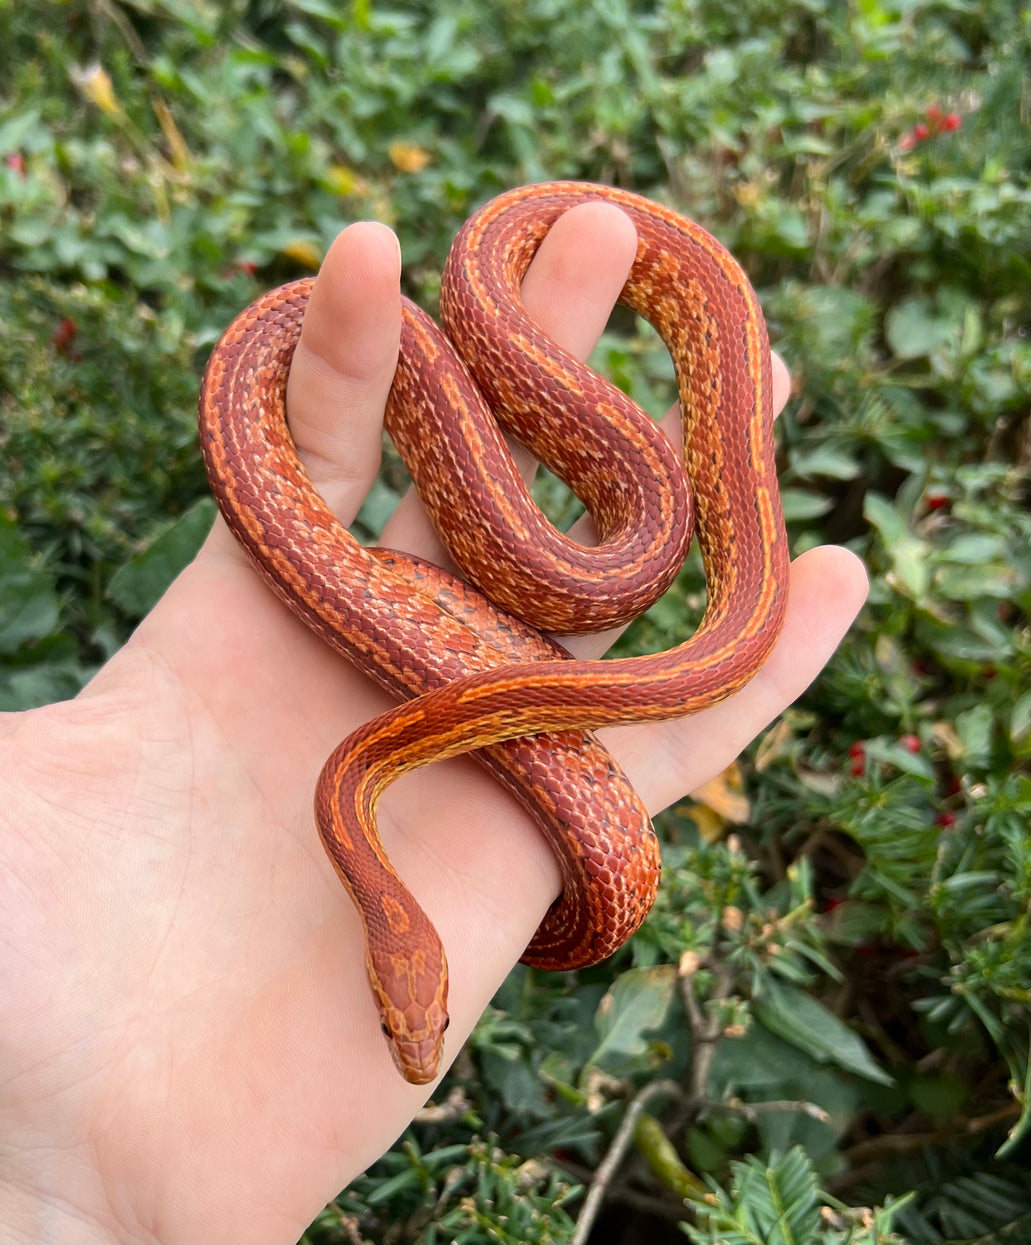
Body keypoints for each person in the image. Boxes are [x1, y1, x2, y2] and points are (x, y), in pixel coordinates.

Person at [0, 200, 867, 1243]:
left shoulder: (365, 776)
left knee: (626, 562)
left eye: (407, 1017)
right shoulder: (357, 786)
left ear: (390, 963)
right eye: (423, 1020)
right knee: (626, 588)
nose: (417, 1042)